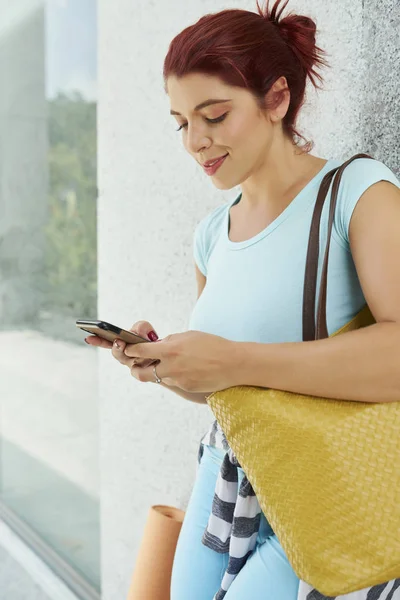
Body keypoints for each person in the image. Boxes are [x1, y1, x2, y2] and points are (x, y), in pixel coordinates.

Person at [86, 0, 400, 598]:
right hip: (226, 469)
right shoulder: (212, 234)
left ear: (276, 99)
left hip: (322, 482)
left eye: (215, 115)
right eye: (181, 122)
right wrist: (168, 366)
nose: (195, 142)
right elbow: (219, 387)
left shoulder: (355, 193)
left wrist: (233, 359)